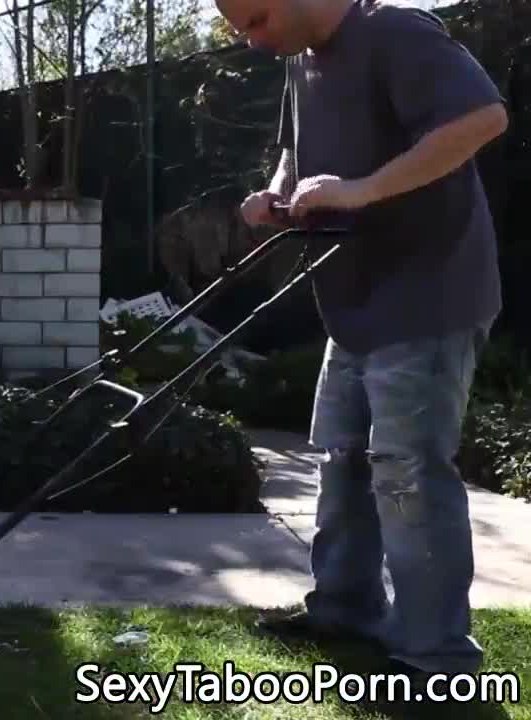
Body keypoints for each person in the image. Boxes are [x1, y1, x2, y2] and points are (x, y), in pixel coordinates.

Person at [215, 0, 509, 683]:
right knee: (342, 460)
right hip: (353, 303)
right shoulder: (300, 63)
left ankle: (435, 655)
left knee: (407, 473)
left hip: (429, 293)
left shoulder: (394, 31)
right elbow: (297, 155)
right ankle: (344, 610)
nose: (251, 41)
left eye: (256, 20)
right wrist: (279, 195)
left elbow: (481, 119)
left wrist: (362, 190)